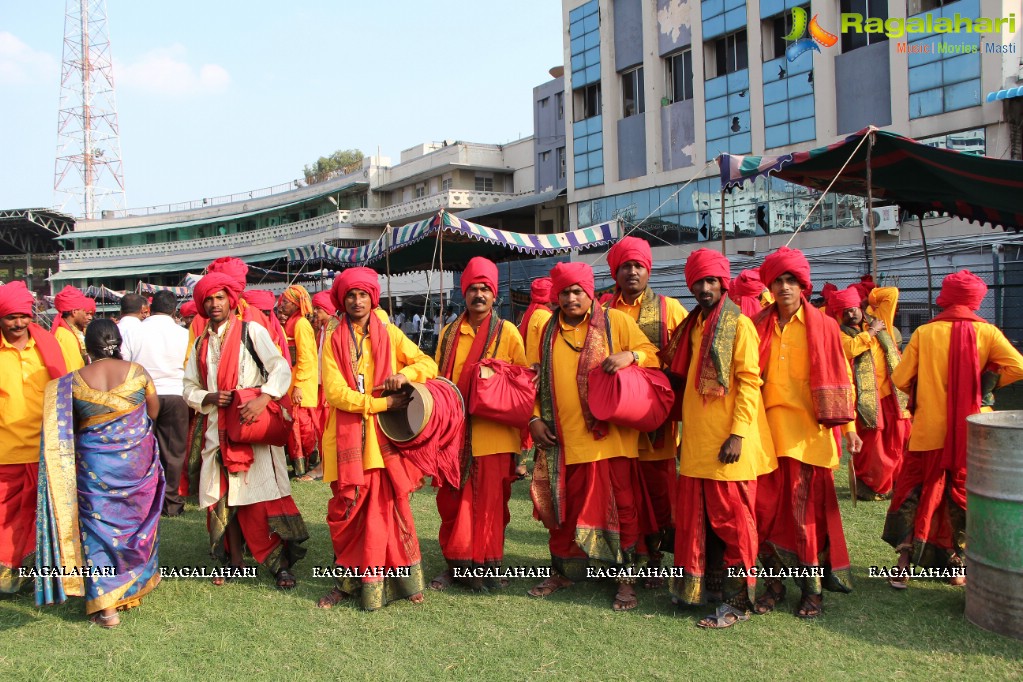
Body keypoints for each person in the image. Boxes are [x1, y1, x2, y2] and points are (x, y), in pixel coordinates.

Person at [527, 261, 659, 612]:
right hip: (562, 441)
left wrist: (630, 355)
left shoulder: (616, 322)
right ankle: (565, 571)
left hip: (611, 441)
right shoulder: (547, 331)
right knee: (561, 511)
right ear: (556, 296)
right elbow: (535, 381)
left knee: (623, 510)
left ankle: (625, 581)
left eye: (577, 291)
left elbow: (654, 355)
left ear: (589, 293)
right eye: (565, 292)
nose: (571, 298)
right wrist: (535, 418)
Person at [884, 271, 1023, 588]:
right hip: (970, 432)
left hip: (927, 432)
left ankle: (903, 566)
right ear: (975, 299)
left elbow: (901, 377)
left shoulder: (925, 333)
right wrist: (983, 387)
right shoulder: (987, 333)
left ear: (945, 296)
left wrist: (924, 388)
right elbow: (1017, 366)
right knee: (959, 497)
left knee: (912, 494)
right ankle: (955, 565)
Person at [660, 249, 775, 629]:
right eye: (699, 281)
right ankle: (705, 591)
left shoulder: (738, 324)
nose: (705, 288)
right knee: (700, 521)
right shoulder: (694, 324)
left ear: (723, 284)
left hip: (729, 443)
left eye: (712, 281)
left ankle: (738, 602)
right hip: (696, 442)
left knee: (733, 522)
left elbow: (749, 382)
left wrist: (738, 433)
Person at [317, 268, 438, 611]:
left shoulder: (389, 332)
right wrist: (381, 403)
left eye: (363, 295)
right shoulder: (333, 338)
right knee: (348, 512)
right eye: (351, 295)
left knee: (390, 509)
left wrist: (404, 374)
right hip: (348, 442)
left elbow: (427, 362)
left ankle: (403, 581)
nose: (357, 301)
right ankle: (346, 585)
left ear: (373, 299)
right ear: (343, 300)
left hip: (384, 442)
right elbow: (337, 393)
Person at [752, 247, 861, 619]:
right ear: (769, 286)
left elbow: (840, 379)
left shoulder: (825, 326)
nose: (784, 287)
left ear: (803, 286)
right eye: (778, 281)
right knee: (763, 513)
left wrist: (849, 430)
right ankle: (775, 585)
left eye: (791, 281)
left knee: (803, 519)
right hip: (764, 437)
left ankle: (812, 590)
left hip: (807, 439)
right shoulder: (757, 325)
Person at [182, 272, 308, 589]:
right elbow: (188, 387)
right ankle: (234, 563)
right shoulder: (199, 343)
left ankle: (280, 565)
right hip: (216, 429)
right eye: (208, 299)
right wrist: (207, 397)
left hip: (254, 428)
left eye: (220, 298)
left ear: (232, 300)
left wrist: (263, 398)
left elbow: (280, 366)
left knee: (261, 500)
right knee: (224, 499)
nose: (214, 304)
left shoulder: (252, 331)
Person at [36, 319, 163, 628]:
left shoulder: (71, 382)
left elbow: (69, 426)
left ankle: (108, 610)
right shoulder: (137, 372)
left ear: (86, 348)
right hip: (136, 462)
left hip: (95, 467)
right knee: (134, 525)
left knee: (99, 530)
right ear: (118, 343)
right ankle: (129, 588)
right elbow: (154, 410)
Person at [430, 257, 527, 591]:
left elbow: (525, 381)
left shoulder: (508, 332)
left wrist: (495, 373)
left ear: (494, 293)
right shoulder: (449, 333)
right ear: (464, 292)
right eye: (473, 288)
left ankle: (488, 566)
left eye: (485, 288)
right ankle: (456, 565)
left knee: (490, 506)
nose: (479, 294)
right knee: (453, 503)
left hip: (495, 435)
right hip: (456, 436)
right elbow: (441, 382)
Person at [603, 236, 688, 588]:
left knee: (658, 491)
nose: (633, 271)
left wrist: (636, 356)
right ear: (616, 272)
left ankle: (654, 557)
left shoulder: (671, 309)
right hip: (614, 420)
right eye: (626, 266)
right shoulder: (601, 308)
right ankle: (627, 554)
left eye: (638, 266)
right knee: (622, 490)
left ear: (648, 270)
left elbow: (682, 360)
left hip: (656, 421)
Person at [0, 281, 71, 593]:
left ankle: (37, 574)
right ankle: (8, 574)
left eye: (24, 316)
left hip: (45, 450)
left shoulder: (47, 346)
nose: (18, 323)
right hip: (4, 452)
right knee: (5, 522)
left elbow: (65, 389)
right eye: (10, 317)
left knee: (40, 518)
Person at [827, 285, 910, 501]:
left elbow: (891, 293)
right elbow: (850, 349)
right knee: (874, 448)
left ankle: (899, 483)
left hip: (893, 395)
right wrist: (870, 332)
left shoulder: (879, 319)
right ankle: (874, 487)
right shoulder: (840, 333)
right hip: (866, 399)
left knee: (900, 440)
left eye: (853, 308)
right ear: (837, 315)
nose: (850, 314)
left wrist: (869, 300)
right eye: (844, 311)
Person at [123, 290, 191, 517]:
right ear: (175, 311)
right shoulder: (183, 334)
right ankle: (171, 502)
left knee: (141, 449)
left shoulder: (136, 331)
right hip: (175, 393)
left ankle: (144, 501)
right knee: (173, 452)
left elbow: (125, 363)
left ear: (149, 309)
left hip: (143, 394)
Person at [279, 285, 319, 477]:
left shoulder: (300, 324)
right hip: (293, 385)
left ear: (295, 304)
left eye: (286, 302)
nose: (282, 305)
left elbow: (306, 357)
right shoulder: (293, 321)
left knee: (302, 429)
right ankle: (299, 465)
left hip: (299, 386)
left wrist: (299, 385)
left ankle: (304, 465)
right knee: (295, 428)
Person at [52, 284, 93, 370]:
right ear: (74, 312)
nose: (88, 316)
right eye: (84, 311)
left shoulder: (66, 332)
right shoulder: (65, 335)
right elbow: (74, 372)